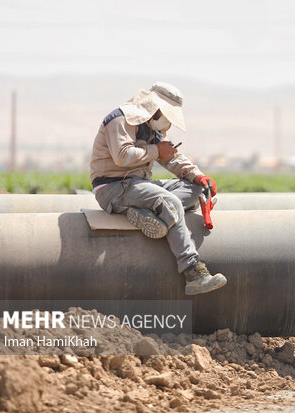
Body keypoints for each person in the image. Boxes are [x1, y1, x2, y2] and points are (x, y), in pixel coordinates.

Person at [90, 82, 227, 295]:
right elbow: (123, 155)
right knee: (170, 202)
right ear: (156, 109)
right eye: (167, 117)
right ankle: (193, 272)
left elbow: (171, 157)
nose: (168, 125)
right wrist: (156, 150)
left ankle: (149, 214)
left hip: (137, 186)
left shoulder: (152, 129)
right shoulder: (120, 119)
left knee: (193, 190)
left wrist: (199, 176)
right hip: (113, 188)